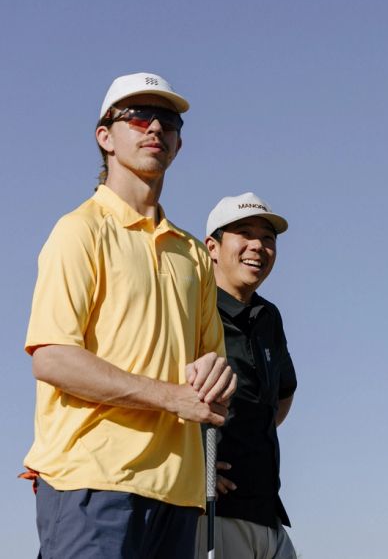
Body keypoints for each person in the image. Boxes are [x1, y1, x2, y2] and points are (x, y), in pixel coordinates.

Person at [22, 72, 237, 559]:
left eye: (168, 121)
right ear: (106, 137)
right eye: (138, 117)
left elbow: (214, 366)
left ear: (179, 144)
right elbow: (52, 357)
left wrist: (217, 381)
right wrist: (171, 397)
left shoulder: (193, 254)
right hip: (92, 483)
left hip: (177, 493)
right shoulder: (79, 231)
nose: (154, 128)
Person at [195, 192, 298, 559]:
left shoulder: (269, 316)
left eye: (268, 238)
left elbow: (283, 391)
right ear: (212, 247)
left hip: (268, 511)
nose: (258, 246)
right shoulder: (190, 309)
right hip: (211, 510)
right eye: (245, 233)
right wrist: (193, 464)